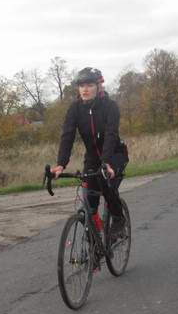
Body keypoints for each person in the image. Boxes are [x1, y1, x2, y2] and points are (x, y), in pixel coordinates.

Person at [52, 67, 129, 244]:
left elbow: (111, 134)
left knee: (106, 183)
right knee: (89, 206)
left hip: (115, 155)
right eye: (81, 85)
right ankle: (95, 249)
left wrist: (107, 162)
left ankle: (118, 219)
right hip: (93, 158)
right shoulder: (75, 109)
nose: (85, 89)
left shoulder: (110, 107)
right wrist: (61, 164)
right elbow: (67, 136)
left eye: (89, 85)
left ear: (99, 86)